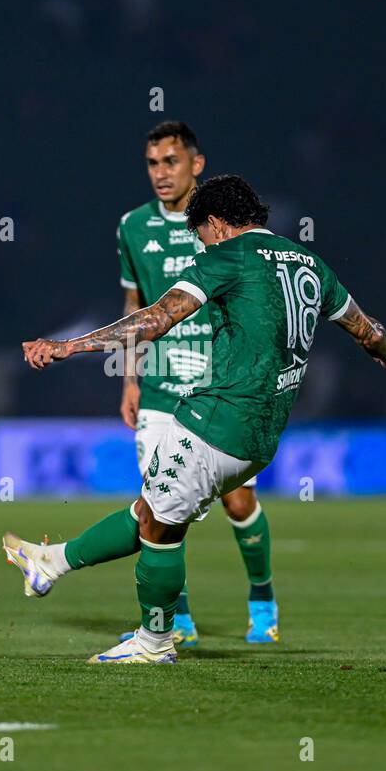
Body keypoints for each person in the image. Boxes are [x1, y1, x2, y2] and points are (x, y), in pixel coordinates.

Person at [3, 175, 386, 662]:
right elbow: (368, 331)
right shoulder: (310, 265)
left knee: (160, 529)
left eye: (200, 234)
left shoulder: (228, 257)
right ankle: (52, 562)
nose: (201, 243)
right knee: (152, 510)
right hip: (263, 436)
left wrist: (70, 346)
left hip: (219, 420)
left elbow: (156, 318)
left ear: (215, 223)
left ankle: (154, 643)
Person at [114, 121, 274, 647]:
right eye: (153, 163)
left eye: (171, 162)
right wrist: (129, 381)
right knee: (160, 504)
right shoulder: (132, 227)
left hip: (218, 385)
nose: (161, 173)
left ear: (196, 165)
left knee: (237, 502)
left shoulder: (222, 226)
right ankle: (176, 620)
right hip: (159, 386)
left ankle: (262, 597)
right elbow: (135, 306)